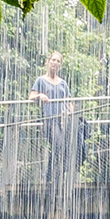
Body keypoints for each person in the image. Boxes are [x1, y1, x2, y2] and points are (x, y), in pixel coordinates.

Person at [34, 51, 79, 183]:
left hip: (64, 119)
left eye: (58, 61)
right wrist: (39, 96)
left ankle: (55, 175)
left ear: (60, 65)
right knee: (58, 144)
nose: (55, 63)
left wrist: (72, 115)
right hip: (50, 118)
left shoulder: (63, 83)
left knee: (65, 147)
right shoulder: (41, 80)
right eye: (53, 60)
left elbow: (68, 101)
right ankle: (51, 175)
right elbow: (31, 96)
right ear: (48, 62)